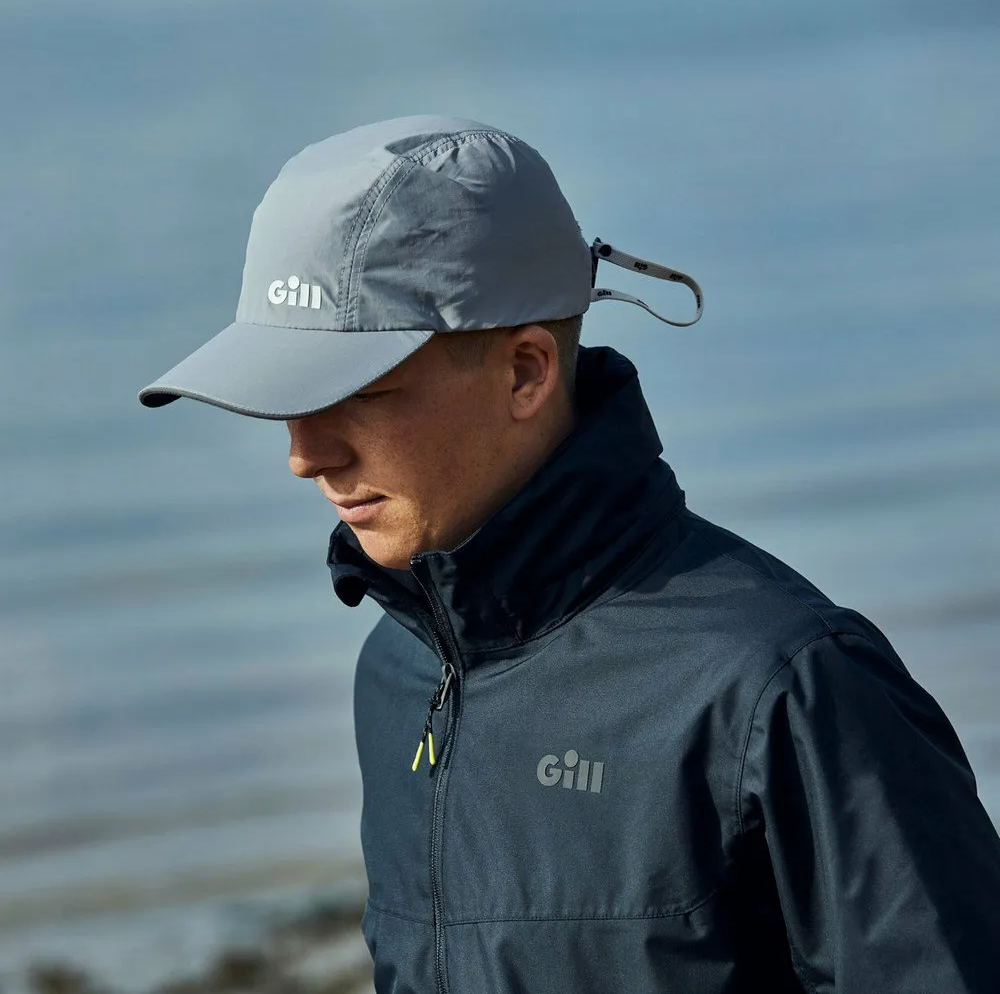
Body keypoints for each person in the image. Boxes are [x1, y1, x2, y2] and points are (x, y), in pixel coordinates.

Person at [139, 115, 1000, 993]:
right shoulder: (399, 672)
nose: (305, 455)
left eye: (353, 394)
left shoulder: (785, 687)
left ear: (525, 372)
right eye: (285, 399)